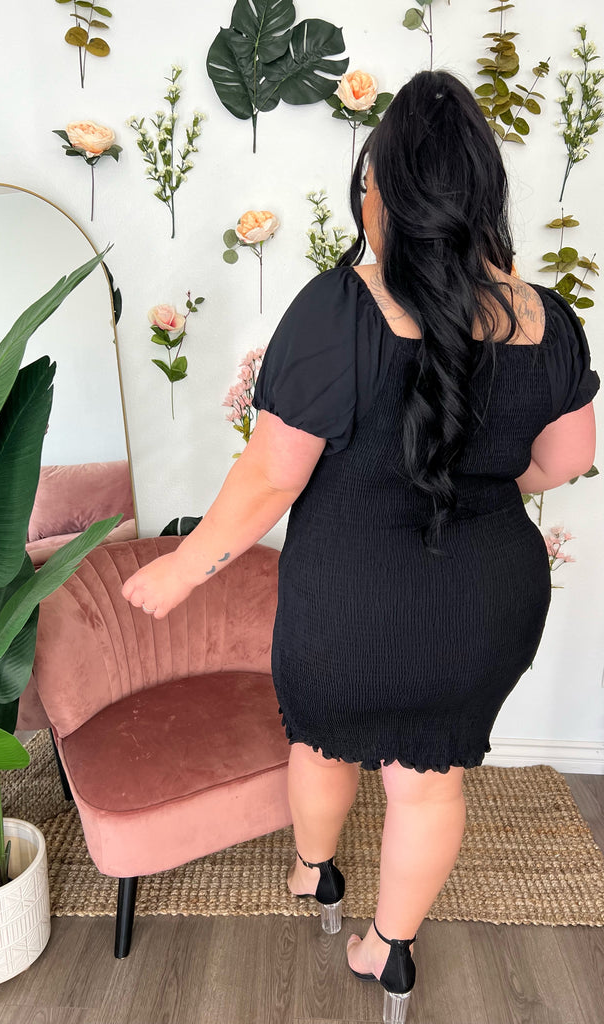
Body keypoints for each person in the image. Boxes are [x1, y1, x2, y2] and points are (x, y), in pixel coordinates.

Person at [122, 71, 598, 1022]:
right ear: (482, 191)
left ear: (383, 190)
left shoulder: (342, 306)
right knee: (429, 783)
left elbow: (272, 476)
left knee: (321, 740)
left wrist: (181, 567)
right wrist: (471, 483)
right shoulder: (549, 318)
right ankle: (391, 950)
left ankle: (316, 871)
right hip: (488, 599)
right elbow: (566, 460)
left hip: (348, 595)